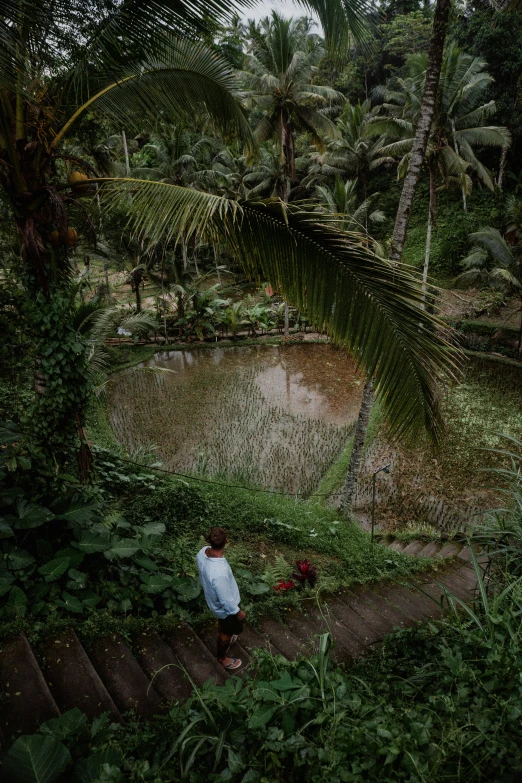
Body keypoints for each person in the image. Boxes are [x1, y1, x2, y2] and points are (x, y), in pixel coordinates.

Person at [196, 527, 245, 670]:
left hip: (213, 601)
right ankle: (222, 658)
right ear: (227, 541)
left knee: (222, 623)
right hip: (226, 608)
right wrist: (238, 612)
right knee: (226, 631)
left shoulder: (202, 552)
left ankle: (226, 635)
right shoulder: (220, 573)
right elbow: (225, 600)